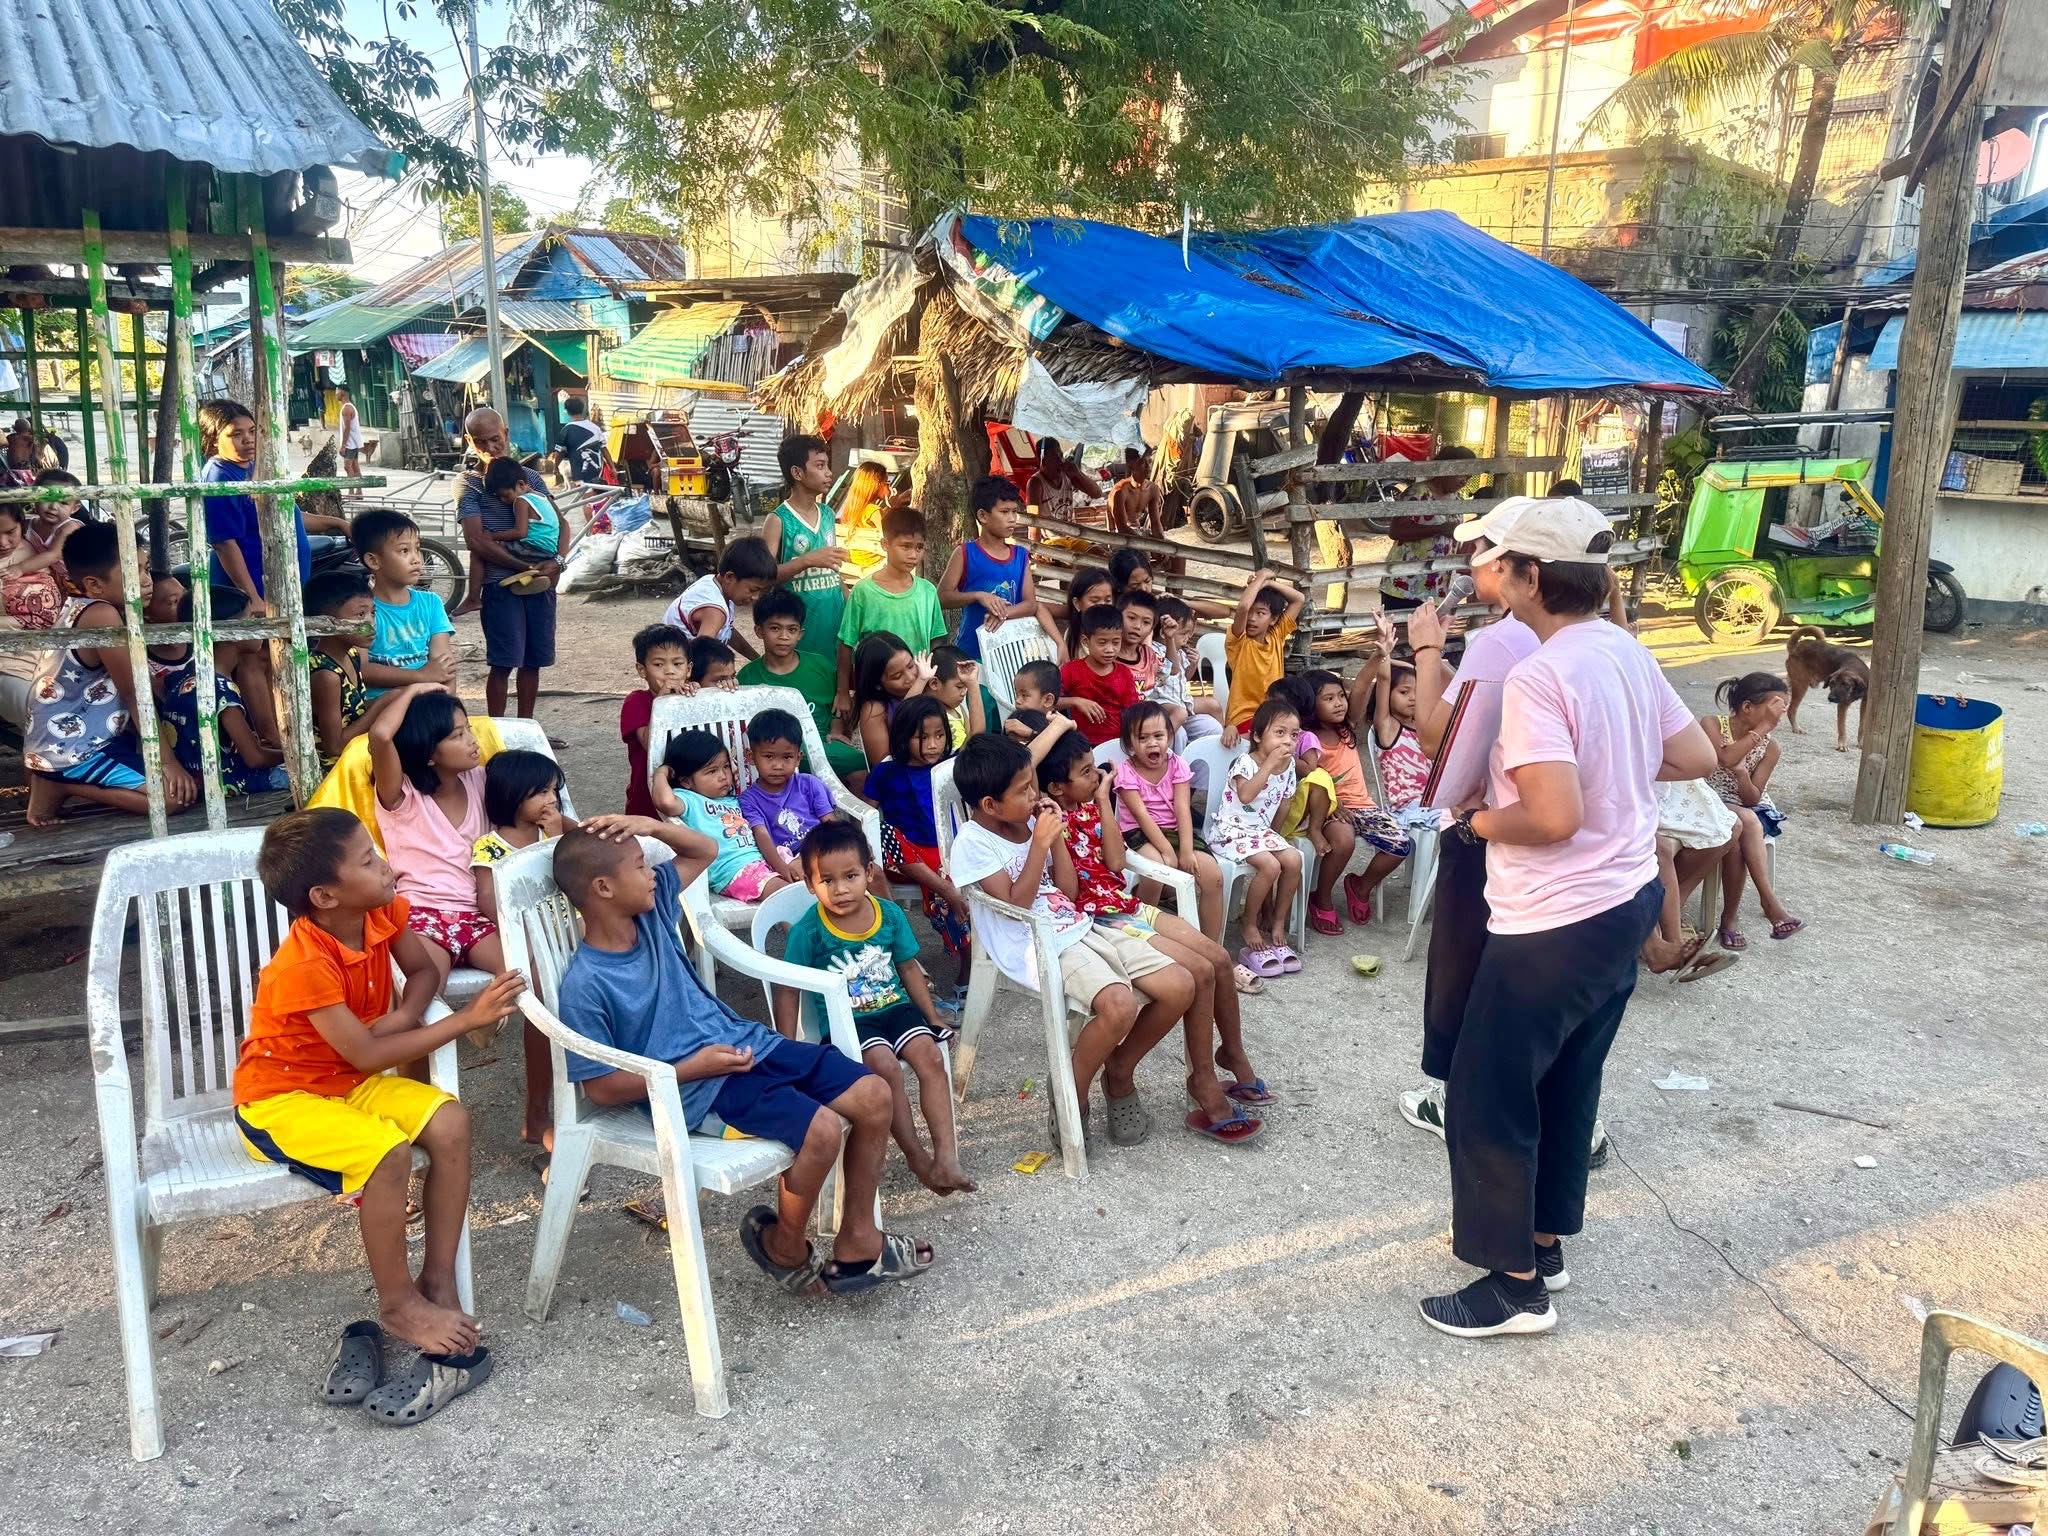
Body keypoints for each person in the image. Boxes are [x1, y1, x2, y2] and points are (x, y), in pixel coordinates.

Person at [1419, 496, 1717, 1340]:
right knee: (1565, 1078)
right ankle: (1543, 1242)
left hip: (1555, 915)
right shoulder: (1618, 647)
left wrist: (1477, 821)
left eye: (1503, 562)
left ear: (1530, 578)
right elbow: (1694, 755)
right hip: (1626, 899)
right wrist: (1611, 760)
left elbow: (1549, 818)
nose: (1494, 575)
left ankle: (1513, 1286)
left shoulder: (1541, 675)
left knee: (1487, 1090)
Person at [553, 817, 929, 1292]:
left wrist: (649, 825)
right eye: (639, 865)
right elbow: (600, 1089)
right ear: (604, 887)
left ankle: (857, 1238)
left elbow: (703, 850)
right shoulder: (586, 984)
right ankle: (784, 1247)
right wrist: (694, 1067)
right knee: (822, 1130)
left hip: (748, 1044)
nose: (653, 870)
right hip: (700, 1087)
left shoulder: (649, 915)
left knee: (875, 1094)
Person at [232, 808, 522, 1400]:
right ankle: (397, 1304)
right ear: (325, 895)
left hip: (345, 1081)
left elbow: (419, 970)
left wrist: (409, 1013)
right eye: (368, 861)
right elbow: (366, 1054)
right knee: (388, 1154)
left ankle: (436, 1281)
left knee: (451, 1120)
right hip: (281, 1099)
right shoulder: (303, 965)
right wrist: (464, 1020)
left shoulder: (382, 911)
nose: (387, 867)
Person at [949, 733, 1194, 1149]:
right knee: (1118, 1006)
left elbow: (1068, 889)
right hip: (1033, 943)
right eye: (1023, 789)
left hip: (1074, 921)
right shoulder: (973, 843)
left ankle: (1118, 1072)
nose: (1034, 795)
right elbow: (1018, 904)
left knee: (1180, 986)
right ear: (990, 805)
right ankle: (1071, 1093)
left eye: (1033, 784)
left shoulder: (1029, 821)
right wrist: (1038, 844)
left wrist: (1054, 837)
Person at [1037, 729, 1264, 1144]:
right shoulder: (1047, 821)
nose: (1097, 776)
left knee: (1215, 957)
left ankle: (1228, 1056)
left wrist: (1104, 800)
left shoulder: (1090, 807)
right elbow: (1068, 892)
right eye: (1087, 772)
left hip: (1124, 904)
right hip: (1099, 918)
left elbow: (1117, 860)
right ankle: (1187, 1079)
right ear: (1056, 786)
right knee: (1196, 972)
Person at [778, 819, 972, 1194]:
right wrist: (787, 1044)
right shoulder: (809, 931)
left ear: (868, 872)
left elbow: (908, 968)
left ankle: (947, 1158)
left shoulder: (889, 914)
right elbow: (788, 988)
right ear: (809, 883)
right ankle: (917, 1157)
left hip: (895, 1008)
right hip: (849, 1023)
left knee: (930, 1057)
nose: (841, 889)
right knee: (885, 1068)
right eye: (827, 880)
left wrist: (932, 1017)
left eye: (850, 876)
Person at [23, 522, 194, 826]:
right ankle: (59, 784)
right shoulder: (102, 615)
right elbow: (135, 694)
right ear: (95, 585)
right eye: (135, 570)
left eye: (146, 568)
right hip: (75, 747)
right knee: (173, 798)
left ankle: (57, 780)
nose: (146, 581)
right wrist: (169, 763)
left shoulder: (83, 606)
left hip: (75, 737)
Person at [469, 748, 574, 1150]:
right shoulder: (491, 846)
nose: (551, 800)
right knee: (542, 996)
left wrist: (558, 833)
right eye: (541, 792)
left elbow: (585, 859)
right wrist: (523, 928)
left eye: (554, 791)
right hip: (526, 939)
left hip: (567, 931)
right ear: (512, 796)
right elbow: (486, 899)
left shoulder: (559, 831)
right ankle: (539, 1110)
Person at [370, 686, 501, 991]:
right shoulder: (402, 796)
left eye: (468, 729)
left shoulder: (483, 780)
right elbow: (380, 736)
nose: (472, 740)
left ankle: (483, 1014)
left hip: (478, 917)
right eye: (457, 735)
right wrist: (414, 689)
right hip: (421, 916)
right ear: (429, 753)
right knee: (426, 993)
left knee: (535, 976)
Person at [1281, 666, 1412, 936]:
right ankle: (1322, 896)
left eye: (1340, 695)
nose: (1338, 703)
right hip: (1328, 808)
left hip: (1364, 806)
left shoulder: (1347, 728)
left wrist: (1377, 657)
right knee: (1343, 841)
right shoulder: (1307, 738)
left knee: (1400, 844)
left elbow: (1363, 686)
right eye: (1328, 699)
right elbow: (1309, 775)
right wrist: (1332, 804)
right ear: (1311, 705)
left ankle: (1360, 886)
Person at [455, 408, 561, 718]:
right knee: (502, 662)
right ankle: (498, 731)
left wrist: (558, 560)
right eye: (480, 441)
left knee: (533, 661)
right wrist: (521, 567)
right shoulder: (469, 484)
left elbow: (560, 523)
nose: (489, 448)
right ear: (469, 441)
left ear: (507, 435)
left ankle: (526, 727)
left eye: (495, 439)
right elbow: (476, 540)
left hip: (540, 580)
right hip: (500, 585)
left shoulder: (528, 478)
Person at [860, 696, 971, 971]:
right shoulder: (887, 772)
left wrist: (971, 687)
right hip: (905, 857)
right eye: (922, 737)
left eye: (939, 735)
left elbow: (977, 733)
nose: (933, 745)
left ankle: (968, 968)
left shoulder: (950, 767)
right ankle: (944, 888)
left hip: (948, 853)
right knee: (885, 833)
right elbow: (864, 814)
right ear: (903, 737)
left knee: (951, 897)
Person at [1112, 700, 1232, 954]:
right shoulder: (1126, 772)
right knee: (1157, 873)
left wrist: (1186, 849)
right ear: (1129, 743)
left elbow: (1182, 810)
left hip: (1176, 830)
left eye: (1158, 736)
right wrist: (1167, 850)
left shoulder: (1177, 764)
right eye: (1142, 738)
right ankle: (1146, 940)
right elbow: (1141, 815)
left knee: (1213, 877)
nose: (1152, 743)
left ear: (1170, 736)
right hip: (1139, 833)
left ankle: (1211, 948)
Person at [1704, 672, 1803, 949]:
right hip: (1709, 802)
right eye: (1774, 708)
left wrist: (1742, 778)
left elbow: (1752, 798)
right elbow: (1724, 758)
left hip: (1748, 809)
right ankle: (1767, 905)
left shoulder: (1770, 747)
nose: (1778, 718)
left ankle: (1731, 919)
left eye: (1781, 710)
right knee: (1743, 824)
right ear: (1748, 707)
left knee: (1743, 825)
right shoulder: (1712, 724)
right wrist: (1761, 729)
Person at [1213, 695, 1307, 981]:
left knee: (1292, 859)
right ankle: (1249, 924)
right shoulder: (1246, 763)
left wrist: (1275, 837)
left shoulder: (1289, 767)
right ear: (1256, 736)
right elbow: (1246, 795)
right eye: (1279, 733)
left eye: (1293, 735)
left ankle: (1278, 922)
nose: (1288, 741)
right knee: (1270, 866)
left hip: (1261, 832)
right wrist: (1267, 766)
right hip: (1232, 830)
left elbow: (1286, 803)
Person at [736, 586, 867, 786]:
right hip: (773, 754)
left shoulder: (820, 666)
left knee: (862, 766)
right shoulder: (748, 676)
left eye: (792, 629)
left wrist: (837, 727)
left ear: (800, 634)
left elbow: (836, 709)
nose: (783, 636)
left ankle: (858, 817)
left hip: (821, 745)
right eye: (775, 628)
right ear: (759, 631)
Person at [835, 506, 947, 721]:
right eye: (905, 546)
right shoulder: (864, 592)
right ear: (885, 544)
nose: (913, 554)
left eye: (919, 547)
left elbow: (937, 642)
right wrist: (842, 692)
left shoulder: (927, 591)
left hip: (918, 684)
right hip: (877, 689)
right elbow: (845, 644)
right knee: (880, 741)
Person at [652, 727, 787, 905]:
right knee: (786, 895)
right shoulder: (689, 799)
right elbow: (666, 803)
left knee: (809, 878)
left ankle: (805, 929)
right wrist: (660, 773)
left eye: (725, 767)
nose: (723, 776)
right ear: (686, 781)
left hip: (762, 861)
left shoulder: (733, 800)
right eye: (712, 771)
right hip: (734, 872)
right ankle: (801, 933)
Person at [200, 397, 308, 616]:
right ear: (213, 440)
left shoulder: (252, 468)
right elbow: (224, 544)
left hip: (283, 584)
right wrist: (253, 597)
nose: (248, 439)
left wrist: (339, 524)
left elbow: (286, 515)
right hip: (258, 588)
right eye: (236, 435)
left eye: (251, 431)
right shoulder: (220, 479)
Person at [938, 475, 1060, 661]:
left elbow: (1030, 604)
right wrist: (978, 596)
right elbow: (942, 597)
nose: (1012, 519)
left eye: (1014, 512)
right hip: (972, 655)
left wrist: (1004, 614)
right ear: (983, 516)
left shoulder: (1020, 556)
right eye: (1004, 512)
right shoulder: (965, 553)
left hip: (1012, 653)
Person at [759, 433, 846, 662]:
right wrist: (807, 560)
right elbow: (763, 577)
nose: (828, 472)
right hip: (799, 630)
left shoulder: (827, 514)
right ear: (797, 473)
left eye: (827, 465)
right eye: (820, 466)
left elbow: (833, 571)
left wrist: (851, 602)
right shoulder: (778, 520)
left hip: (833, 623)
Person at [353, 510, 456, 701]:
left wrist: (449, 706)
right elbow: (362, 669)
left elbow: (445, 666)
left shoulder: (431, 603)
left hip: (429, 703)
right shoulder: (362, 610)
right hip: (381, 707)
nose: (416, 558)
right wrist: (420, 676)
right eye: (404, 551)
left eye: (417, 548)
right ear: (373, 560)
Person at [739, 707, 836, 886]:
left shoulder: (809, 784)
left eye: (787, 757)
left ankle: (888, 912)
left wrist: (849, 845)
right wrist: (782, 870)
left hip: (823, 847)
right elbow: (762, 836)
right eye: (768, 756)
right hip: (789, 857)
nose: (778, 765)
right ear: (750, 757)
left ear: (798, 758)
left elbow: (830, 822)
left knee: (870, 871)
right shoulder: (748, 800)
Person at [305, 570, 385, 768]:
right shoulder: (326, 675)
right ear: (326, 622)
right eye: (360, 615)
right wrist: (383, 704)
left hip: (354, 753)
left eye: (372, 613)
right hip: (334, 769)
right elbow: (334, 746)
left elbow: (353, 712)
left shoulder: (352, 655)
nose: (370, 623)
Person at [1382, 444, 1476, 610]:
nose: (1464, 481)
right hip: (1404, 585)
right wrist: (1439, 528)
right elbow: (1395, 531)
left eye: (1468, 477)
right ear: (1445, 469)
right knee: (1401, 633)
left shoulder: (1458, 500)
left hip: (1436, 587)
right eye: (1462, 475)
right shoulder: (1418, 493)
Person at [1222, 568, 1304, 746]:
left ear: (1273, 619)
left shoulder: (1275, 636)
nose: (1251, 618)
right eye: (1250, 612)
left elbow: (1299, 599)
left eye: (1260, 613)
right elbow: (1243, 607)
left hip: (1275, 716)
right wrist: (1260, 578)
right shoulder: (1239, 642)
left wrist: (1268, 583)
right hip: (1244, 720)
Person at [0, 501, 62, 733]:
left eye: (10, 532)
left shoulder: (33, 553)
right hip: (8, 666)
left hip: (49, 656)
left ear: (22, 525)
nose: (3, 543)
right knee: (41, 718)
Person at [662, 536, 776, 661]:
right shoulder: (714, 611)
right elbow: (701, 655)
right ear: (729, 577)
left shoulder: (714, 583)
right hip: (676, 667)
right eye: (753, 590)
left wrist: (757, 660)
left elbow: (727, 631)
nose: (756, 597)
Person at [620, 623, 693, 819]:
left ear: (689, 668)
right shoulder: (636, 701)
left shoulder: (695, 698)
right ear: (642, 670)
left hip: (689, 799)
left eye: (677, 664)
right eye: (659, 665)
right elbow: (649, 744)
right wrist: (661, 703)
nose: (669, 672)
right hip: (647, 800)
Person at [1059, 606, 1138, 748]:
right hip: (1081, 744)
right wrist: (1076, 701)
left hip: (1117, 744)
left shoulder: (1124, 674)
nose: (1110, 649)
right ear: (1085, 641)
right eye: (1102, 643)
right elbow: (1050, 701)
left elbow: (1133, 713)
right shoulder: (1071, 670)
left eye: (1115, 642)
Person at [848, 630, 927, 771]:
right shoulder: (874, 710)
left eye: (910, 666)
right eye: (897, 676)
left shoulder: (927, 687)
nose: (910, 677)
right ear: (877, 684)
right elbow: (883, 767)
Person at [480, 456, 561, 567]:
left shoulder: (521, 501)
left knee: (487, 546)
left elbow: (520, 532)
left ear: (521, 485)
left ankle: (528, 569)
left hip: (532, 549)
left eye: (506, 495)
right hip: (550, 551)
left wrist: (493, 536)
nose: (503, 500)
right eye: (499, 497)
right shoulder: (542, 497)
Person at [19, 468, 85, 588]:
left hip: (80, 580)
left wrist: (19, 568)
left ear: (75, 508)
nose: (53, 507)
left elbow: (54, 555)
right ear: (35, 498)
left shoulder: (69, 527)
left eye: (63, 503)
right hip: (54, 579)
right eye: (47, 498)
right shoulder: (27, 525)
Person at [1025, 438, 1102, 525]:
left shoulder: (1067, 475)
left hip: (1069, 533)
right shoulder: (1036, 483)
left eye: (1061, 456)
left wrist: (1078, 473)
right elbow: (1032, 521)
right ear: (1043, 460)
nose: (1060, 461)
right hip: (1050, 537)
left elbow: (1097, 493)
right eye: (1054, 457)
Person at [924, 644, 987, 748]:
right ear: (934, 684)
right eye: (959, 687)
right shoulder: (926, 713)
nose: (964, 692)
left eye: (966, 687)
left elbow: (974, 735)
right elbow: (976, 734)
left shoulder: (957, 708)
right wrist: (973, 686)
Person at [1108, 446, 1166, 539]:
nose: (1148, 467)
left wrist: (1162, 544)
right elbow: (1122, 528)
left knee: (1171, 550)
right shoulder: (1120, 491)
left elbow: (1155, 523)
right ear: (1131, 465)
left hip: (1139, 534)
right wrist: (1144, 544)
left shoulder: (1152, 489)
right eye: (1143, 462)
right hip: (1119, 538)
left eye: (1150, 462)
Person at [550, 396, 608, 486]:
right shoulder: (595, 428)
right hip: (597, 471)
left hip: (579, 473)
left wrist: (555, 467)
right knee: (597, 494)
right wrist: (612, 467)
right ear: (583, 409)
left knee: (585, 497)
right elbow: (604, 449)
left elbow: (560, 452)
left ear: (567, 412)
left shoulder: (566, 430)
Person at [1060, 565, 1115, 658]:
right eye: (1095, 600)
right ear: (1077, 603)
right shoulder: (1072, 635)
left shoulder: (1119, 631)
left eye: (1108, 600)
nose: (1102, 606)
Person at [336, 385, 365, 500]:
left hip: (350, 443)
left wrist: (343, 445)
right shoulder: (349, 407)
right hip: (354, 442)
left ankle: (352, 491)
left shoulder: (346, 409)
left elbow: (346, 428)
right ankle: (359, 491)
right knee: (355, 466)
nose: (335, 394)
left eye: (337, 391)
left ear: (342, 393)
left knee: (348, 466)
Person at [617, 421, 659, 492]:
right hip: (647, 470)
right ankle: (656, 492)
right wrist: (659, 464)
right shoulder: (656, 451)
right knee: (656, 471)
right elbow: (650, 466)